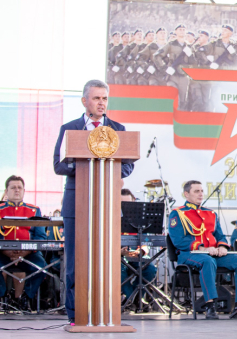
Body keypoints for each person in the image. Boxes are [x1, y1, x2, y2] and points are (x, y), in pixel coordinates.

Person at [52, 79, 135, 324]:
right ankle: (75, 315)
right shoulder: (70, 128)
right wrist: (86, 166)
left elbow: (128, 165)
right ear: (84, 101)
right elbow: (58, 165)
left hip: (106, 203)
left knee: (106, 260)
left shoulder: (118, 129)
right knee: (75, 262)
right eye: (96, 98)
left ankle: (107, 313)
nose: (101, 103)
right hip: (76, 202)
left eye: (104, 98)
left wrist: (110, 170)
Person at [169, 181, 237, 319]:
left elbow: (220, 236)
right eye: (196, 191)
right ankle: (210, 305)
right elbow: (178, 240)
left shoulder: (211, 213)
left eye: (202, 191)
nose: (200, 194)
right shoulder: (178, 213)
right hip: (189, 254)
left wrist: (222, 247)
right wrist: (202, 248)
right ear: (186, 194)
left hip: (212, 254)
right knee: (207, 261)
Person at [0, 175, 48, 310]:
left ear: (24, 191)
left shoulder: (34, 210)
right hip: (3, 253)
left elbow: (40, 237)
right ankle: (3, 297)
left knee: (41, 268)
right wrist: (7, 251)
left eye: (19, 187)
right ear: (6, 191)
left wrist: (25, 252)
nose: (17, 190)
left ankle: (25, 297)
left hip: (29, 254)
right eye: (13, 188)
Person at [119, 189, 157, 306]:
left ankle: (136, 298)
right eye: (121, 204)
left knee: (150, 269)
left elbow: (146, 241)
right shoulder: (109, 219)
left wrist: (141, 251)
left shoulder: (140, 220)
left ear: (134, 202)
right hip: (117, 257)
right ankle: (132, 299)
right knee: (119, 271)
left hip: (136, 255)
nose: (124, 207)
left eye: (127, 204)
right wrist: (119, 252)